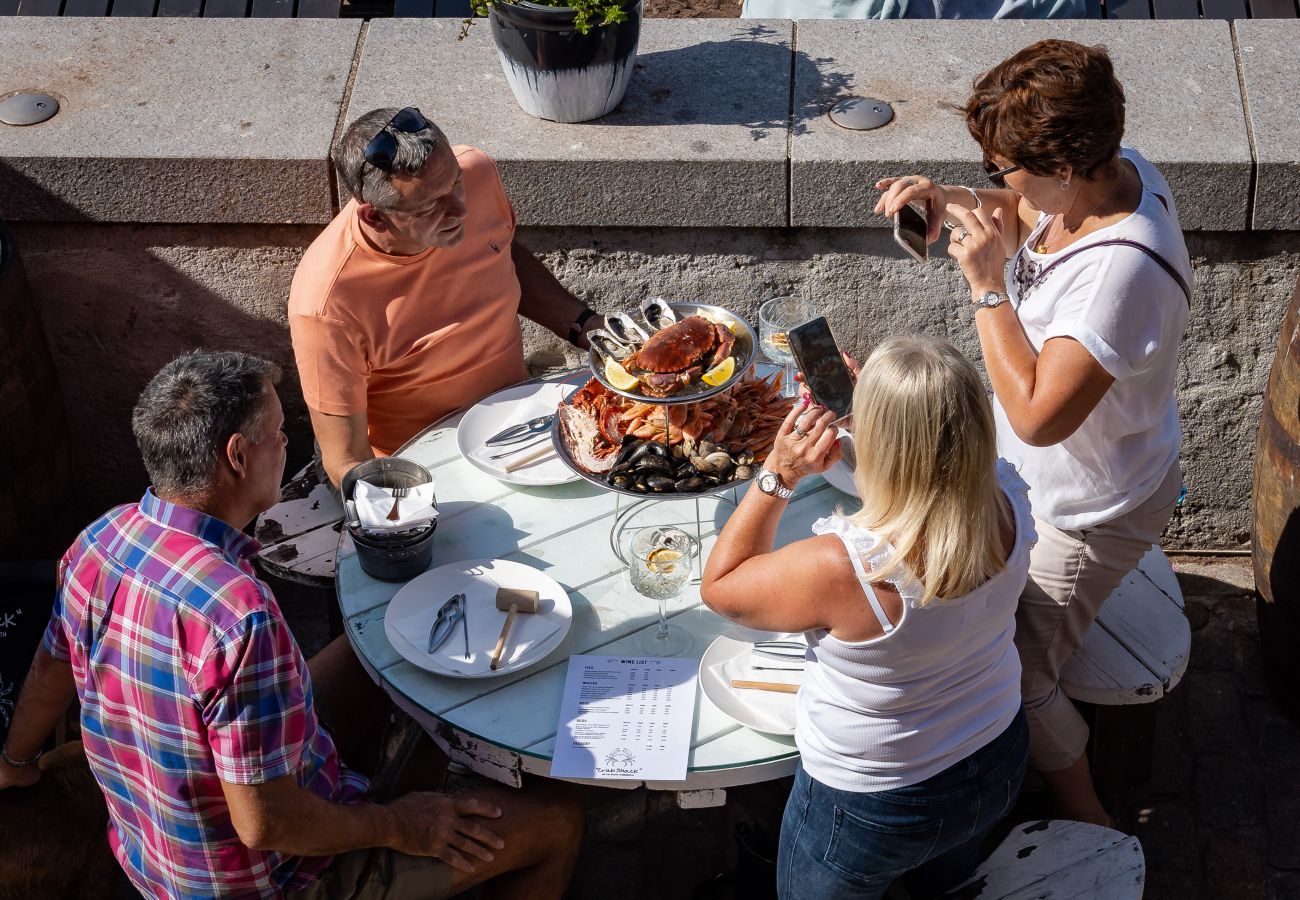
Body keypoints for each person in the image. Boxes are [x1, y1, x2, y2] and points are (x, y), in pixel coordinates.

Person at [0, 351, 583, 899]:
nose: (287, 444)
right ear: (237, 456)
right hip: (267, 880)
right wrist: (400, 824)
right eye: (279, 433)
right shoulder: (239, 616)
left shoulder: (101, 539)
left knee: (380, 647)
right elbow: (265, 824)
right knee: (557, 823)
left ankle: (397, 791)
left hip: (152, 853)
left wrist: (14, 761)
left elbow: (51, 666)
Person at [874, 38, 1190, 826]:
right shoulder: (1106, 175)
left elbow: (1040, 418)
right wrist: (949, 198)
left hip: (1088, 511)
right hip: (1052, 481)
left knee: (1019, 666)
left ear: (1067, 167)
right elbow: (1022, 212)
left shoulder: (1120, 274)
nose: (995, 178)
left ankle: (1090, 816)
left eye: (1001, 165)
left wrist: (987, 289)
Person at [701, 334, 1032, 899]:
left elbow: (722, 587)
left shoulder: (843, 567)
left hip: (874, 806)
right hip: (998, 754)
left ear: (882, 440)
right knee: (946, 886)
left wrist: (779, 472)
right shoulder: (1009, 496)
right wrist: (874, 414)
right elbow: (929, 478)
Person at [290, 108, 603, 488]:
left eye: (455, 183)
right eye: (429, 206)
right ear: (374, 217)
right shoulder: (327, 305)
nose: (460, 210)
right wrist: (410, 506)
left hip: (525, 417)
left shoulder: (476, 171)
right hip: (422, 468)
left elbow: (499, 252)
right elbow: (345, 461)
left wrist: (586, 326)